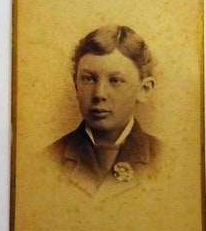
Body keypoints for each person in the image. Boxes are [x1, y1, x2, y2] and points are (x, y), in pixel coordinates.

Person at [46, 25, 161, 197]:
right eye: (88, 79)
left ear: (144, 89)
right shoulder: (49, 159)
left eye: (115, 80)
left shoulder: (166, 161)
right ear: (76, 85)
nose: (99, 94)